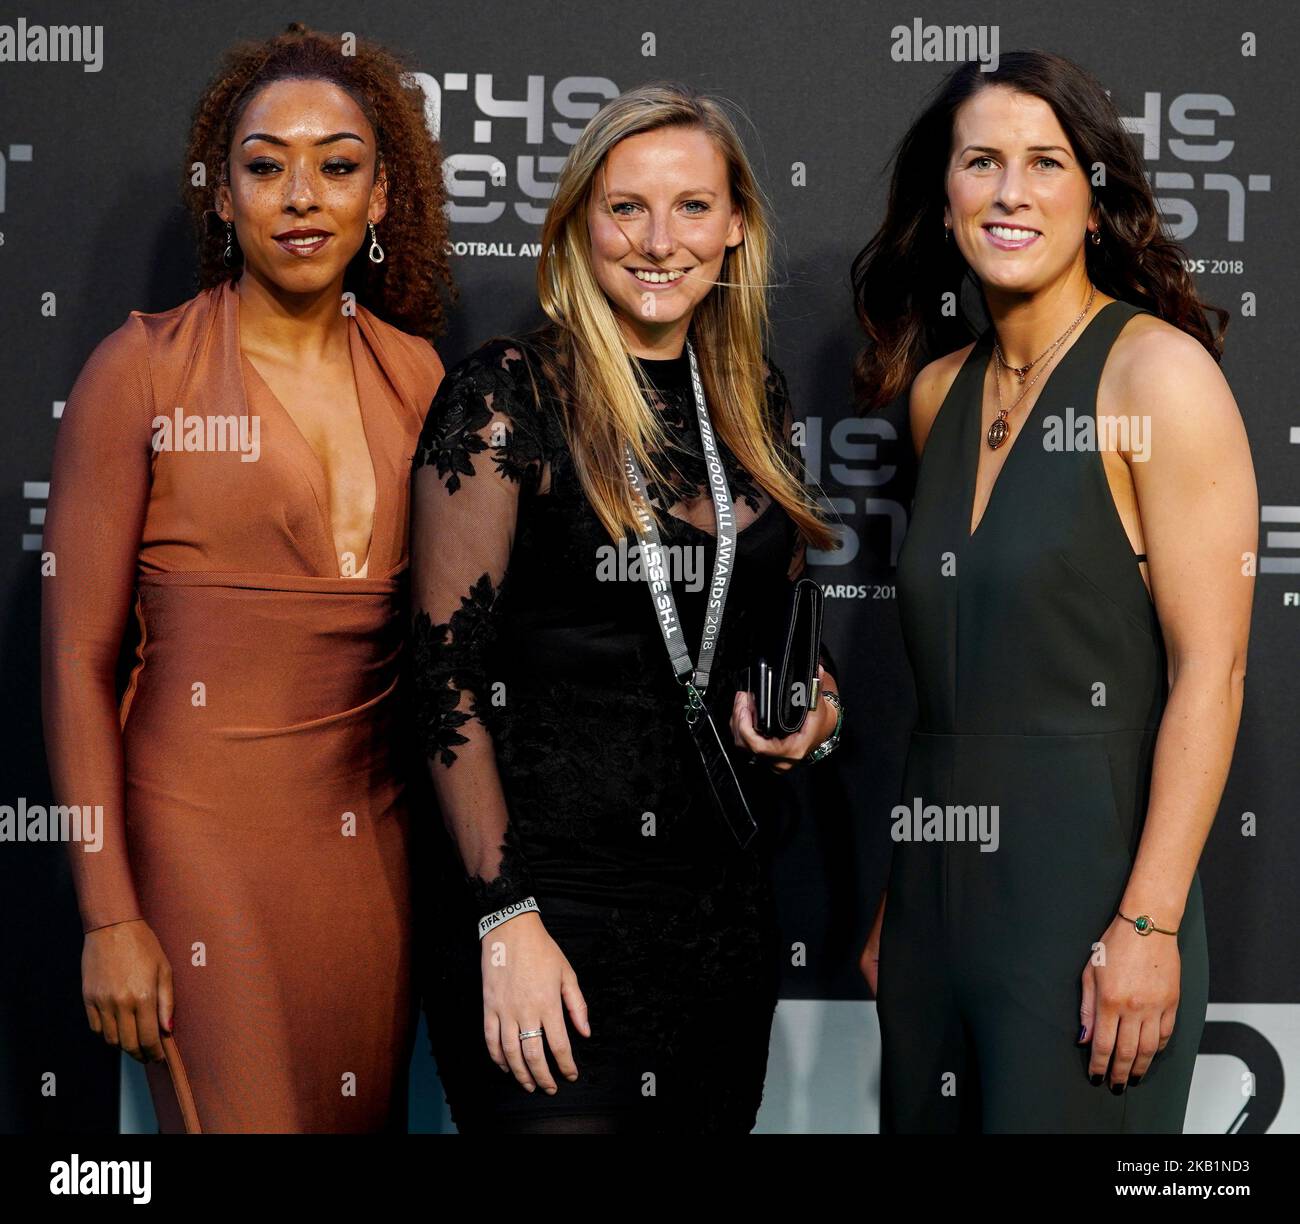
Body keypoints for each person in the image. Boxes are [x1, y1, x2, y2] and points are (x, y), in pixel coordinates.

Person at [40, 23, 453, 1132]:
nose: (301, 195)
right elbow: (78, 665)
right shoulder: (143, 368)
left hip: (370, 856)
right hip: (195, 841)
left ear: (381, 198)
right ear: (221, 198)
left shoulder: (418, 377)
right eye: (266, 166)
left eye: (338, 164)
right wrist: (108, 914)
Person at [410, 81, 843, 1133]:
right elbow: (440, 682)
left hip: (719, 921)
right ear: (578, 226)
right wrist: (504, 921)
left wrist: (814, 715)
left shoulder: (752, 401)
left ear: (736, 223)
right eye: (625, 209)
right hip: (550, 913)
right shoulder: (507, 394)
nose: (660, 241)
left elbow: (762, 631)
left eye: (692, 207)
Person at [852, 50, 1256, 1132]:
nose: (1011, 191)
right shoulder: (939, 394)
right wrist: (909, 892)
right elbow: (953, 689)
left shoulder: (1155, 376)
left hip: (1090, 898)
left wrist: (1149, 924)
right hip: (934, 909)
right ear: (944, 202)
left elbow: (1209, 673)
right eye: (981, 161)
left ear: (1093, 197)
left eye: (1044, 162)